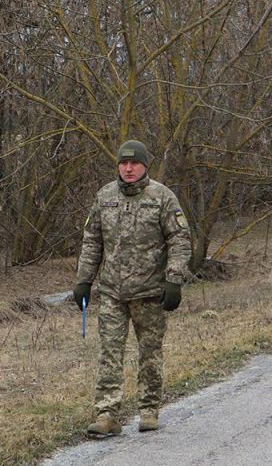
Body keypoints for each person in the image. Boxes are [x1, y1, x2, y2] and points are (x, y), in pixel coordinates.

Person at [74, 140, 192, 437]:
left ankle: (149, 409)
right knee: (109, 352)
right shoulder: (105, 197)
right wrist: (84, 280)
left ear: (144, 166)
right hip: (113, 291)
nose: (128, 168)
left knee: (149, 353)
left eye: (134, 163)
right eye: (123, 163)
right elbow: (92, 241)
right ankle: (107, 413)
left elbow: (179, 239)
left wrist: (174, 279)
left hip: (150, 292)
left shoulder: (162, 197)